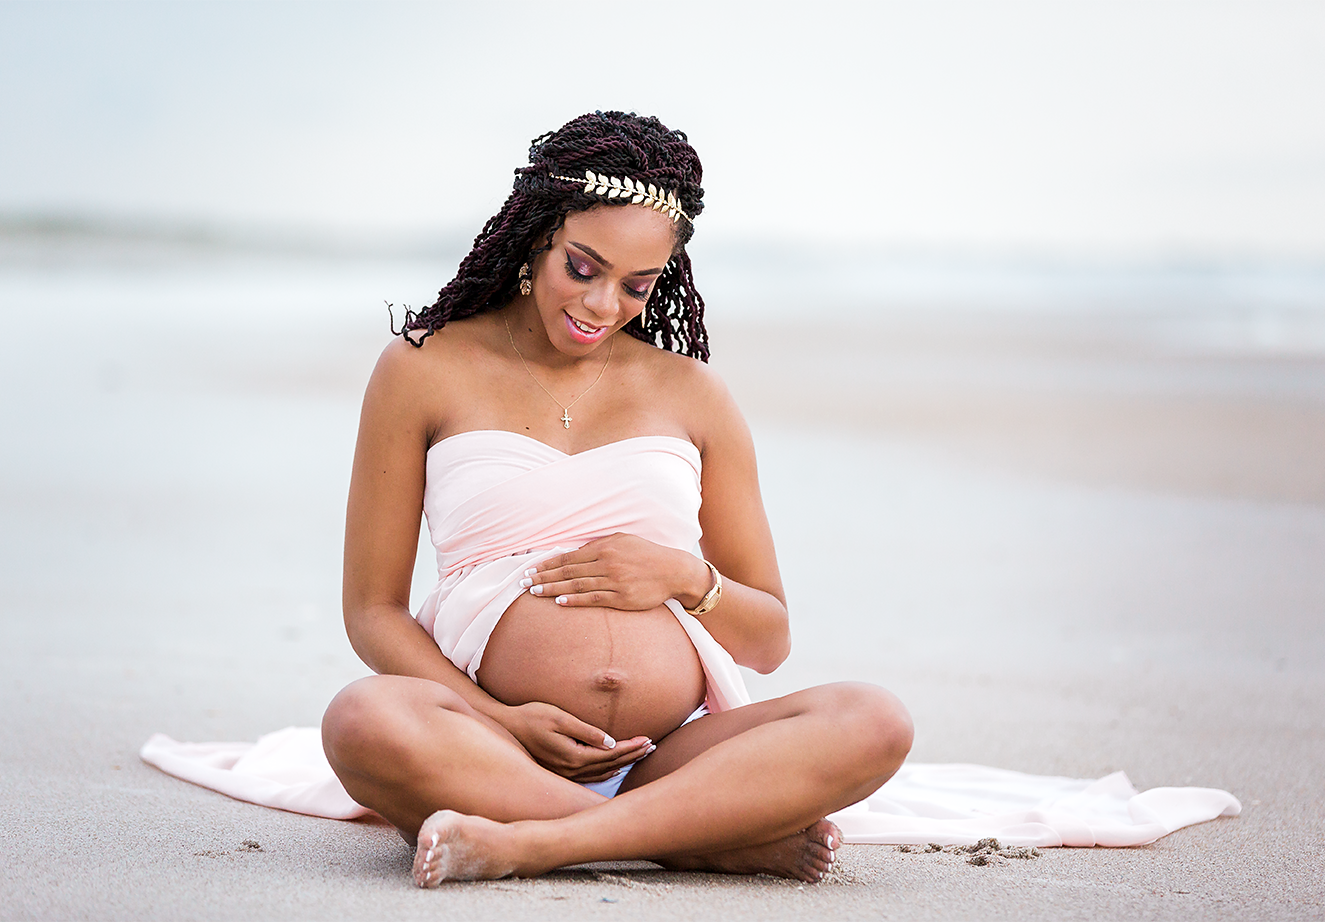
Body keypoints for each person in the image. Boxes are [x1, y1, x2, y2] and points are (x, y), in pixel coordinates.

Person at [320, 111, 914, 888]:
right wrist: (498, 719)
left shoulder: (695, 395)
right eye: (583, 268)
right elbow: (373, 612)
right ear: (537, 232)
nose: (602, 306)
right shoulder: (422, 369)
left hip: (668, 755)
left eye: (637, 285)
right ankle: (693, 837)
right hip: (490, 743)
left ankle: (534, 842)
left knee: (874, 721)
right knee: (361, 721)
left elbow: (768, 639)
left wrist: (680, 577)